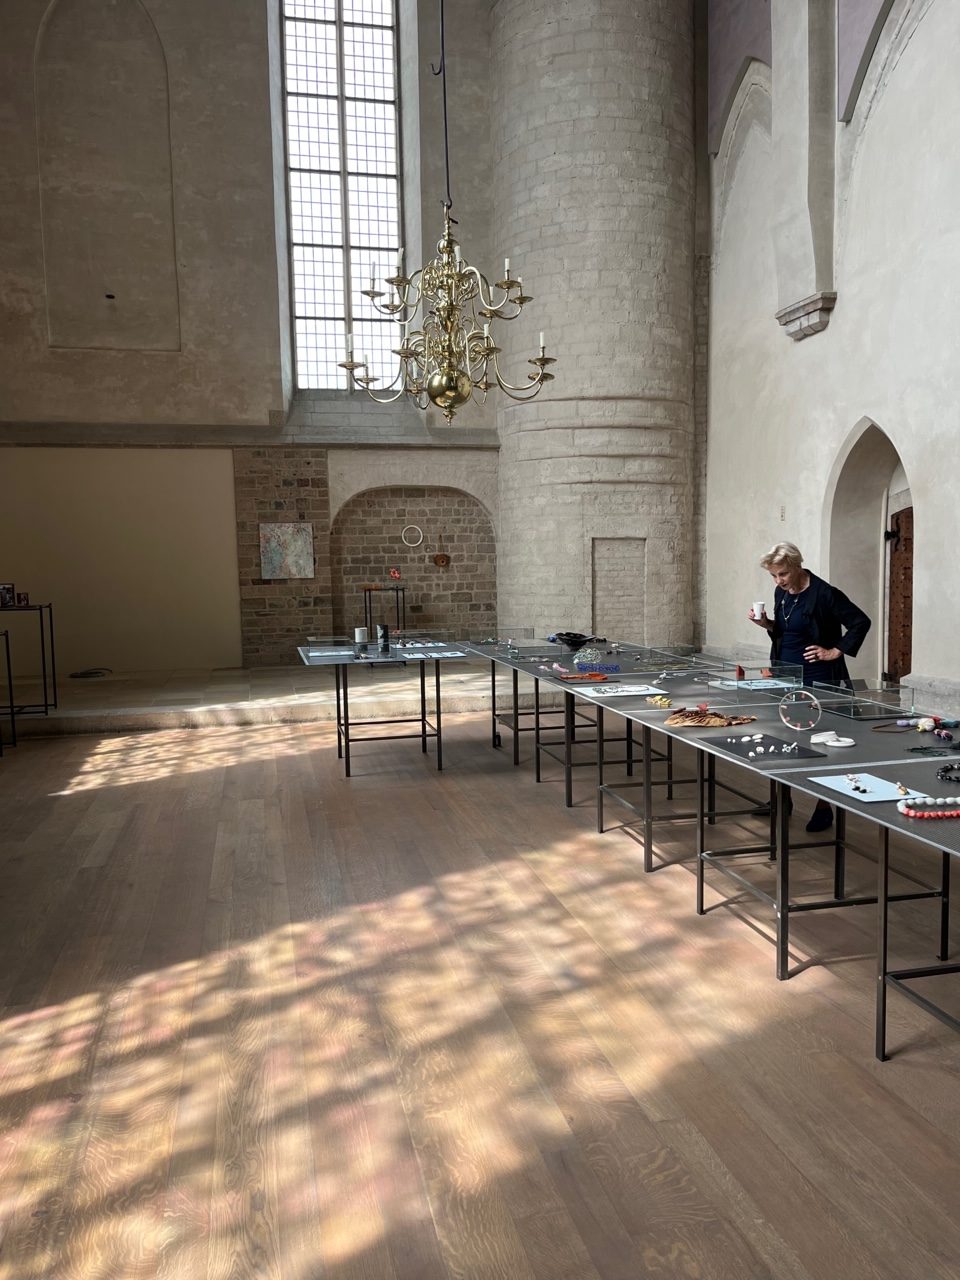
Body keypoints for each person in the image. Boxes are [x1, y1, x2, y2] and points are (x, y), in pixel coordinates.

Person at [749, 541, 871, 832]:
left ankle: (824, 806)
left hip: (818, 677)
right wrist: (767, 624)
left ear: (796, 566)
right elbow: (786, 629)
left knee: (820, 740)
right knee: (783, 737)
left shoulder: (825, 593)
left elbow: (860, 622)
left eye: (782, 574)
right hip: (784, 674)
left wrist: (834, 651)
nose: (778, 581)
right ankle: (782, 799)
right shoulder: (782, 592)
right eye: (773, 576)